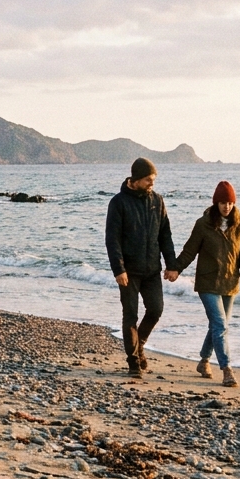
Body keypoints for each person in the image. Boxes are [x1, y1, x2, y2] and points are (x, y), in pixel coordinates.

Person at [169, 180, 240, 387]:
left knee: (218, 326)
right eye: (223, 202)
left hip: (230, 284)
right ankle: (227, 369)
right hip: (208, 283)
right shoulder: (203, 224)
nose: (227, 206)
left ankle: (204, 361)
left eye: (230, 203)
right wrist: (175, 268)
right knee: (220, 325)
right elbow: (190, 250)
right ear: (216, 203)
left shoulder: (239, 226)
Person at [104, 157, 179, 378]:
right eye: (148, 179)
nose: (152, 183)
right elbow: (112, 239)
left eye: (153, 179)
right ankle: (133, 362)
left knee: (156, 309)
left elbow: (165, 235)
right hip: (128, 271)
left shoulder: (158, 201)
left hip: (152, 270)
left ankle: (140, 345)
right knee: (130, 315)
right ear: (135, 180)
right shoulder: (118, 203)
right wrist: (118, 269)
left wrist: (171, 265)